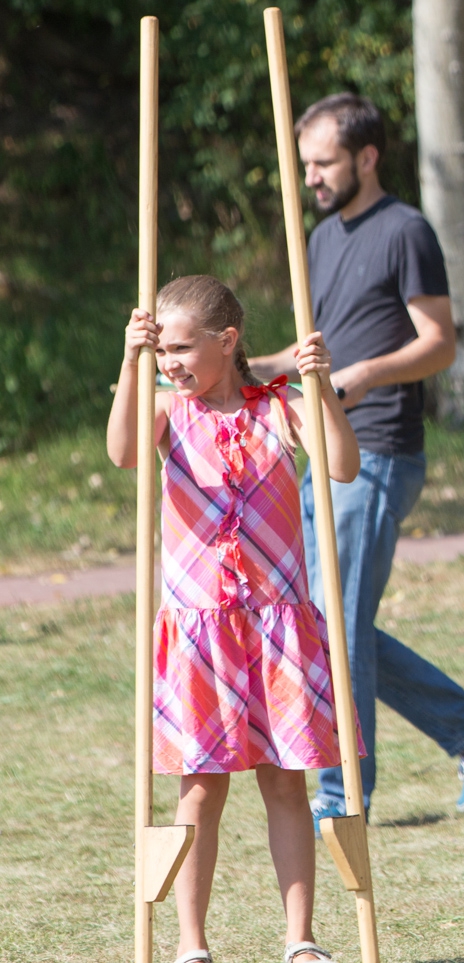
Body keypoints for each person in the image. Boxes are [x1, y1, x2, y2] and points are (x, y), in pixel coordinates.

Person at [251, 93, 464, 819]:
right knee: (324, 615)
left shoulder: (406, 231)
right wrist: (235, 368)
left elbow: (440, 342)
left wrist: (361, 375)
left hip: (379, 450)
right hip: (326, 445)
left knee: (333, 618)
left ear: (366, 157)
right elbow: (313, 354)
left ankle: (342, 796)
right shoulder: (324, 237)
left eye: (324, 161)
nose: (312, 176)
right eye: (305, 164)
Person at [107, 276, 360, 963]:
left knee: (285, 779)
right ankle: (192, 944)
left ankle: (300, 938)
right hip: (201, 631)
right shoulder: (164, 409)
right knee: (202, 785)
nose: (173, 363)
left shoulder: (278, 407)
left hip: (277, 626)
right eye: (164, 350)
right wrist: (132, 363)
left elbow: (342, 464)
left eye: (183, 348)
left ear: (229, 340)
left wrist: (321, 386)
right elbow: (124, 453)